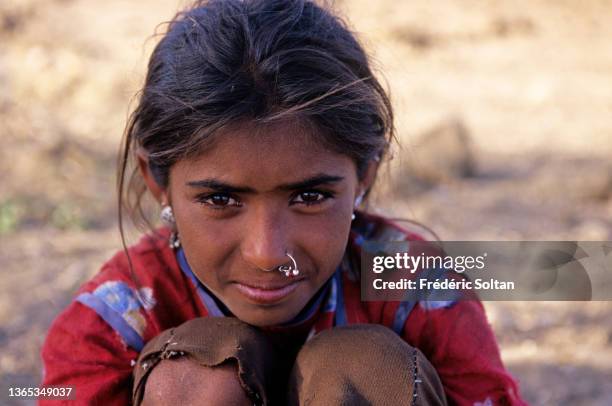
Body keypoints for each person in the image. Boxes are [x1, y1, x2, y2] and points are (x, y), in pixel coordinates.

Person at [41, 0, 526, 404]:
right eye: (220, 198)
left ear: (365, 174)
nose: (268, 253)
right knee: (193, 376)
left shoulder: (418, 284)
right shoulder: (118, 315)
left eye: (310, 196)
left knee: (362, 368)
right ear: (158, 182)